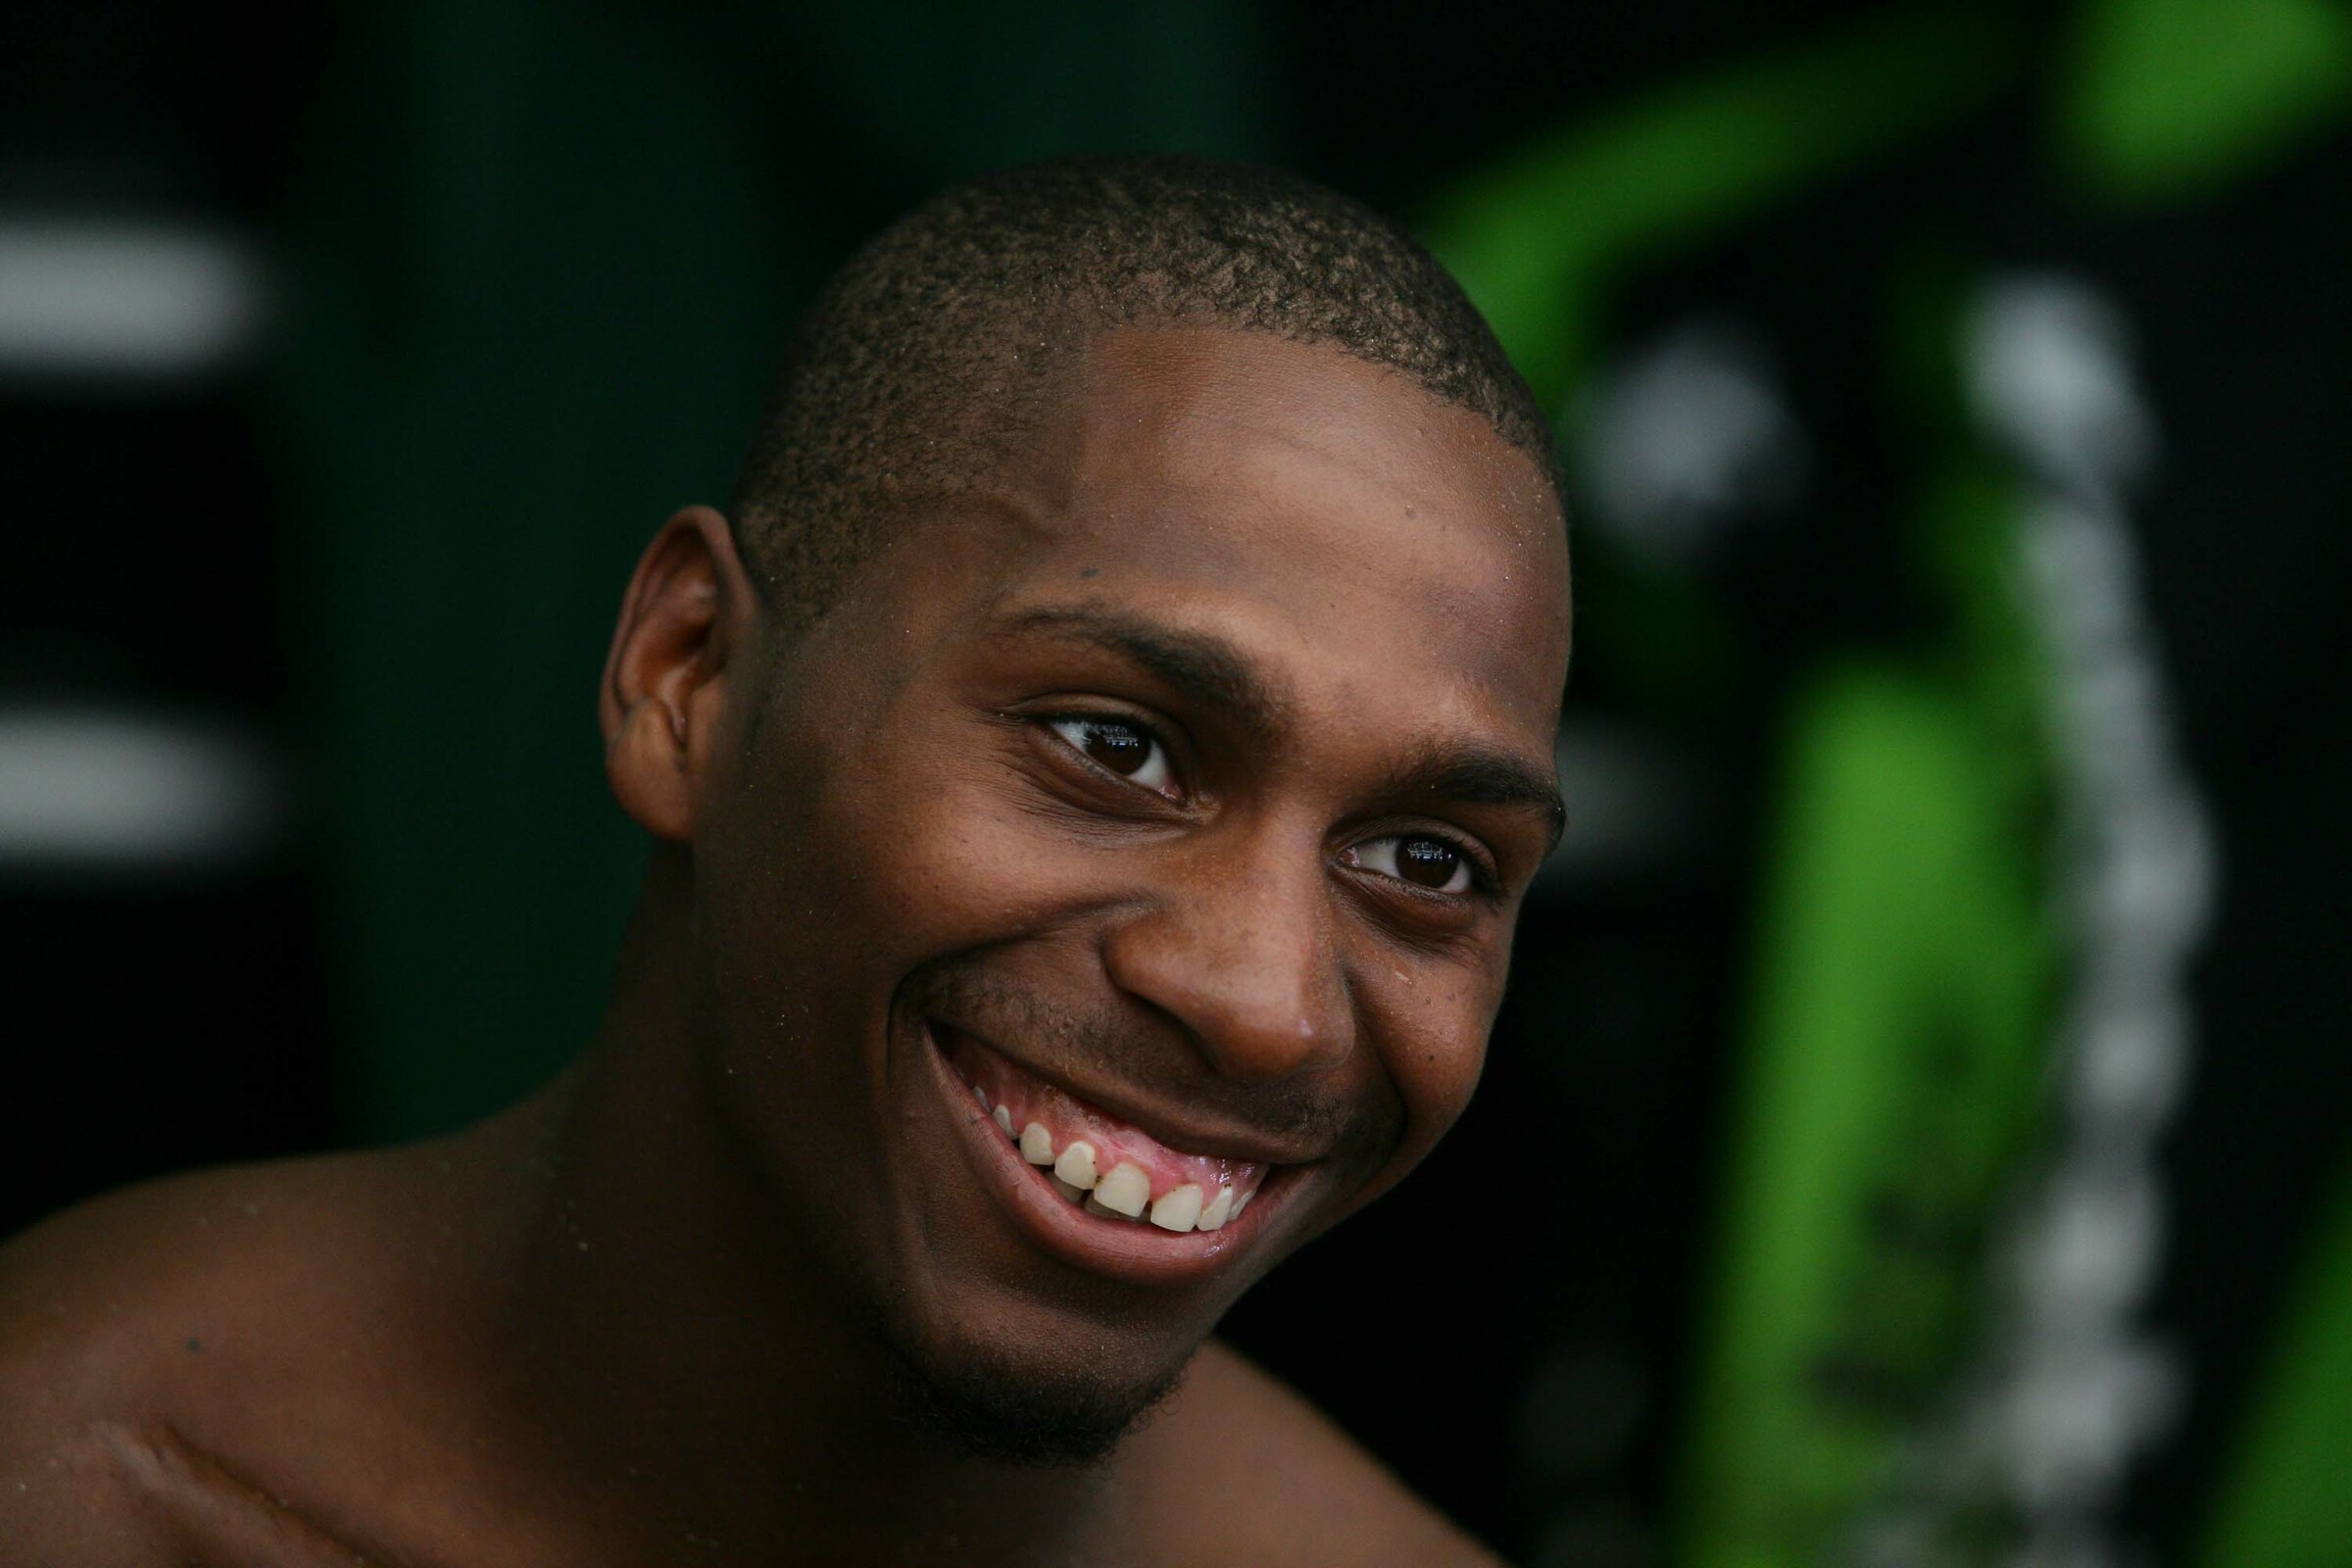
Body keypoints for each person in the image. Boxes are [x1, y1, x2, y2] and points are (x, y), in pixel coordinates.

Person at [0, 156, 1570, 1566]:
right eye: (1117, 749)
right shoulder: (68, 1482)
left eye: (1427, 859)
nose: (1266, 1005)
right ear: (690, 679)